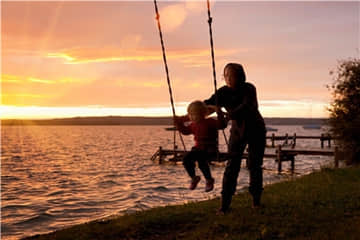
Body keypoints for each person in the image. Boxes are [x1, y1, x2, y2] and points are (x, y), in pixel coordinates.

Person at [204, 63, 266, 213]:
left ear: (241, 76)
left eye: (232, 75)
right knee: (232, 166)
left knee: (254, 165)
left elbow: (247, 106)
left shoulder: (249, 88)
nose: (229, 78)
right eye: (226, 76)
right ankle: (225, 206)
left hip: (256, 129)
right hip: (237, 132)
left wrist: (227, 115)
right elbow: (207, 105)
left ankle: (256, 201)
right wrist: (192, 113)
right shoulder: (223, 92)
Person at [174, 100, 228, 192]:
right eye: (190, 115)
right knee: (186, 159)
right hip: (198, 149)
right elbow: (185, 131)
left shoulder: (210, 122)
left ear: (203, 114)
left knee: (201, 161)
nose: (191, 117)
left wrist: (219, 112)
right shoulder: (193, 124)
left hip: (210, 149)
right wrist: (178, 123)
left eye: (193, 114)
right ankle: (194, 177)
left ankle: (208, 180)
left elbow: (222, 125)